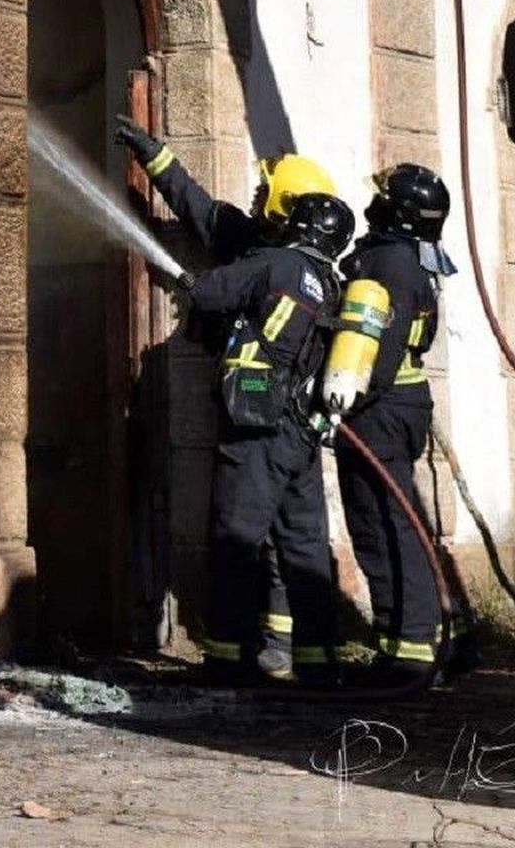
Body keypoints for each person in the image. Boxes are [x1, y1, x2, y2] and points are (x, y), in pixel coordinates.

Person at [117, 117, 353, 684]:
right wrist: (155, 155)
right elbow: (200, 209)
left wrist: (194, 287)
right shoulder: (327, 279)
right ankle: (315, 661)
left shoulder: (270, 261)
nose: (256, 196)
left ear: (289, 209)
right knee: (302, 540)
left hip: (257, 420)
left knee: (235, 534)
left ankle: (228, 657)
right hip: (300, 427)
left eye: (266, 191)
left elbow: (215, 289)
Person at [327, 162, 464, 683]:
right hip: (402, 405)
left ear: (399, 212)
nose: (375, 203)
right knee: (397, 520)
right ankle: (424, 639)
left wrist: (344, 400)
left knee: (381, 524)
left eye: (385, 198)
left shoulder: (388, 263)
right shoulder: (412, 258)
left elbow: (379, 351)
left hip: (379, 409)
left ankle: (408, 651)